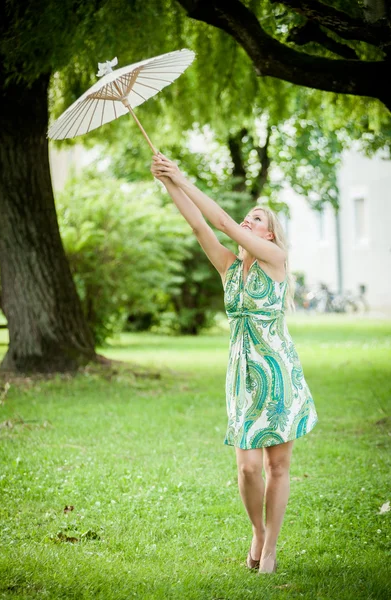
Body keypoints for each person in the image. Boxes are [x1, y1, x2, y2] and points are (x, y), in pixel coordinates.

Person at [151, 152, 319, 575]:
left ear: (271, 235)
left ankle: (272, 548)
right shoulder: (229, 269)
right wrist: (168, 181)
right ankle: (258, 533)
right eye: (248, 217)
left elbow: (223, 222)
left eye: (257, 219)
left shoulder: (274, 261)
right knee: (247, 469)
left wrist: (184, 176)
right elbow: (200, 225)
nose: (247, 221)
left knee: (277, 467)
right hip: (243, 378)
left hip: (278, 373)